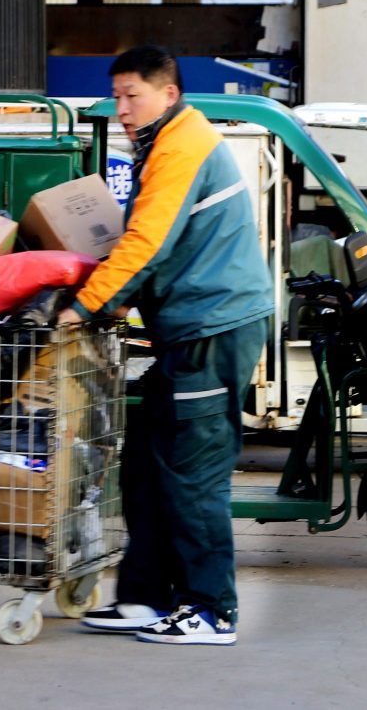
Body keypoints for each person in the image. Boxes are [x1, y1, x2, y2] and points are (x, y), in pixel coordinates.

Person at [61, 45, 272, 646]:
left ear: (168, 94)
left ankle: (211, 610)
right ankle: (148, 598)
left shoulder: (182, 146)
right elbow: (158, 249)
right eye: (118, 96)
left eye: (134, 96)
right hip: (188, 327)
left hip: (214, 329)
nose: (122, 108)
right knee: (150, 467)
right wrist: (115, 301)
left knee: (192, 472)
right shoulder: (163, 145)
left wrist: (85, 305)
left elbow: (148, 242)